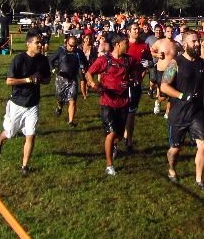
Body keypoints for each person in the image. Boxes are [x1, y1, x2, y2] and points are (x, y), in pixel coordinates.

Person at [0, 30, 52, 176]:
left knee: (30, 135)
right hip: (17, 103)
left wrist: (40, 80)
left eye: (41, 42)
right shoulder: (19, 60)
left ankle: (24, 166)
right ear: (28, 44)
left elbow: (48, 80)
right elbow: (9, 81)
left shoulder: (43, 60)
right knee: (10, 133)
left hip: (33, 104)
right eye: (37, 42)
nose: (40, 45)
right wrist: (27, 80)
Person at [161, 30, 204, 192]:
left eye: (198, 41)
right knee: (175, 149)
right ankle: (172, 169)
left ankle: (199, 179)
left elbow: (203, 84)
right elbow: (164, 86)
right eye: (193, 41)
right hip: (179, 112)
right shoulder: (176, 63)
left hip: (197, 112)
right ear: (184, 44)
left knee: (203, 145)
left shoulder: (202, 63)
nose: (197, 44)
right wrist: (183, 95)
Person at [85, 34, 138, 176]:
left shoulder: (129, 60)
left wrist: (132, 80)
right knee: (111, 133)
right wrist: (96, 86)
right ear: (118, 44)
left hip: (123, 102)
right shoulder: (104, 60)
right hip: (107, 102)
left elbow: (136, 72)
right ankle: (109, 164)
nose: (129, 45)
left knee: (119, 136)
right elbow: (89, 74)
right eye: (127, 43)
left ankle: (113, 145)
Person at [123, 22, 153, 151]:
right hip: (122, 83)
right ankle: (122, 136)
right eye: (134, 29)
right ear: (128, 31)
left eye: (138, 28)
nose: (137, 31)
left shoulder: (144, 46)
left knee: (131, 113)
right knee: (122, 112)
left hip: (136, 84)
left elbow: (150, 62)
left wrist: (147, 66)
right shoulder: (123, 45)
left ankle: (128, 140)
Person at [49, 34, 88, 126]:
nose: (72, 47)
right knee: (60, 98)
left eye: (74, 46)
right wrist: (54, 70)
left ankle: (71, 121)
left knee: (72, 100)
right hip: (61, 78)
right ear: (67, 43)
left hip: (72, 79)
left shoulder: (78, 52)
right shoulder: (61, 51)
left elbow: (85, 62)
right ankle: (59, 107)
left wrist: (84, 68)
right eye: (71, 45)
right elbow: (50, 61)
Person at [151, 26, 178, 118]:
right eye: (168, 31)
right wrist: (156, 54)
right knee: (163, 95)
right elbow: (151, 50)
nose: (170, 33)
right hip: (161, 71)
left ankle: (167, 112)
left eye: (171, 31)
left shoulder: (176, 45)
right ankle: (158, 102)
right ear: (165, 32)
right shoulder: (159, 42)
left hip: (172, 71)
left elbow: (183, 52)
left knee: (172, 93)